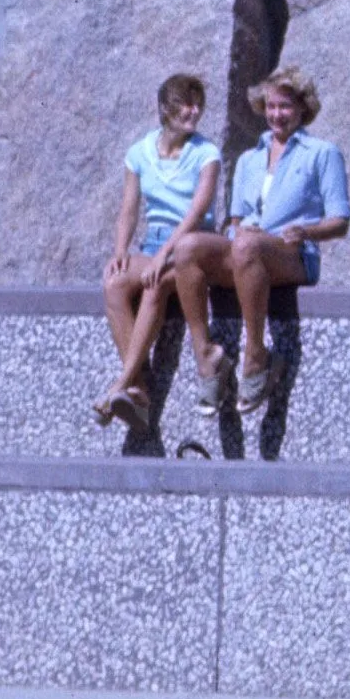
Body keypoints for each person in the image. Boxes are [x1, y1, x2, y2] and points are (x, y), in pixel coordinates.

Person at [169, 67, 350, 413]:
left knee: (248, 244)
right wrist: (235, 235)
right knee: (188, 246)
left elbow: (340, 221)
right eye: (271, 106)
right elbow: (236, 222)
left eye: (285, 107)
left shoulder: (322, 153)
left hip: (293, 253)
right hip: (248, 250)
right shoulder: (248, 160)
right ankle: (207, 357)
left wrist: (306, 231)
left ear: (302, 108)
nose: (276, 115)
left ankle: (256, 356)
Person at [95, 70, 221, 430]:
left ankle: (121, 383)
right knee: (115, 282)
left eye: (199, 105)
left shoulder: (206, 153)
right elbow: (129, 208)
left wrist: (166, 252)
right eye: (186, 103)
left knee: (155, 284)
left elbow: (197, 213)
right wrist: (121, 249)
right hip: (154, 245)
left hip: (189, 245)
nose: (194, 112)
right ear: (166, 108)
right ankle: (139, 390)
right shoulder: (139, 152)